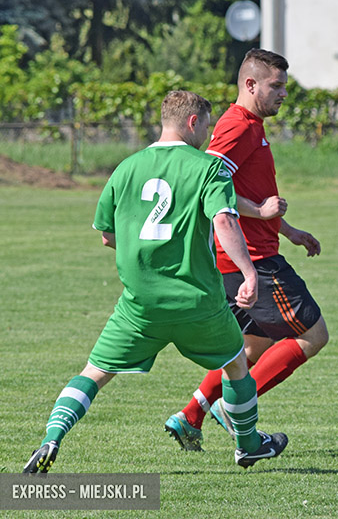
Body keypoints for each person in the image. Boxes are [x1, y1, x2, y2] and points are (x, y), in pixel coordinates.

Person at [23, 91, 287, 474]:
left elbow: (107, 235)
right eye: (207, 126)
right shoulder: (210, 169)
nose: (208, 135)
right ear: (193, 122)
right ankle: (248, 445)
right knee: (235, 363)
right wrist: (249, 273)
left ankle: (52, 436)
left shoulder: (126, 168)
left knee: (93, 374)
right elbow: (225, 221)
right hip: (198, 301)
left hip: (140, 305)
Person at [164, 49, 329, 452]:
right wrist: (260, 211)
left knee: (252, 346)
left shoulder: (252, 125)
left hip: (247, 252)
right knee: (313, 335)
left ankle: (191, 414)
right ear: (250, 84)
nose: (283, 94)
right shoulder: (238, 125)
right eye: (276, 86)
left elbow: (248, 191)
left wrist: (286, 229)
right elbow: (209, 185)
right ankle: (235, 406)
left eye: (285, 86)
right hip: (250, 257)